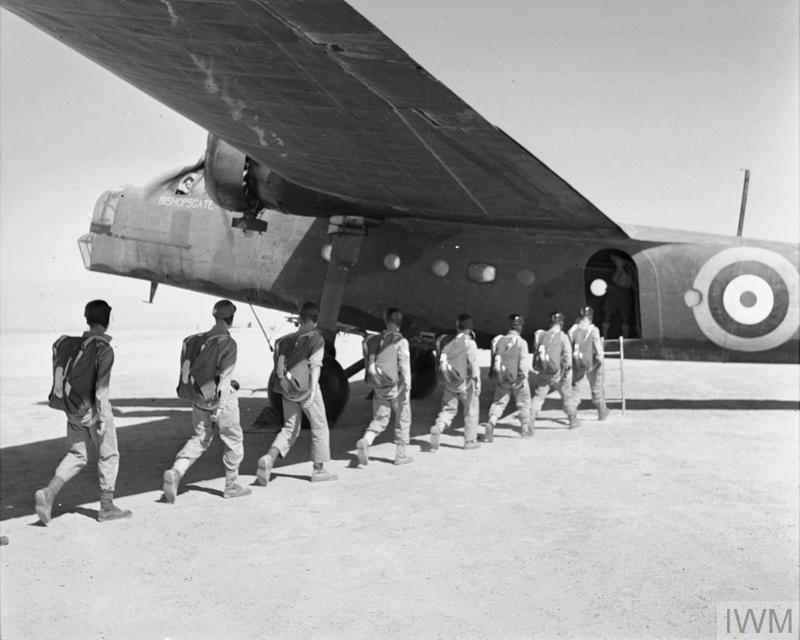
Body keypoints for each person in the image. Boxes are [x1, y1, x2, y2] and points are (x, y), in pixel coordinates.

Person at [35, 300, 132, 524]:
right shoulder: (103, 349)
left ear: (87, 319)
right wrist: (102, 418)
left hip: (72, 410)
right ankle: (107, 507)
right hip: (93, 411)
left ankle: (49, 493)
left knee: (77, 455)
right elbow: (102, 389)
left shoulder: (71, 344)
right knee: (109, 454)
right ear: (107, 322)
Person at [162, 299, 251, 502]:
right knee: (233, 439)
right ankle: (231, 485)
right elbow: (225, 381)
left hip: (199, 399)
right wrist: (219, 407)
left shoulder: (197, 340)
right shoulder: (228, 343)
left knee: (200, 438)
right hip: (221, 400)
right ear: (231, 318)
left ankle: (176, 471)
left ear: (215, 316)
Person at [257, 302, 337, 484]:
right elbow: (316, 366)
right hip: (307, 390)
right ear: (316, 319)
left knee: (290, 427)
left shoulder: (284, 340)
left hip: (288, 389)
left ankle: (270, 457)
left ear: (299, 319)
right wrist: (313, 390)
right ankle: (318, 470)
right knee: (320, 426)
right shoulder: (316, 339)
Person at [355, 308, 413, 466]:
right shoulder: (400, 341)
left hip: (380, 385)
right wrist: (407, 386)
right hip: (397, 388)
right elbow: (404, 366)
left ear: (386, 321)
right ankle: (400, 455)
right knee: (403, 418)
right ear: (400, 323)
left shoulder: (376, 340)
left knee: (379, 419)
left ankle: (366, 441)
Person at [429, 313, 481, 450]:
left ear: (457, 327)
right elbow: (474, 365)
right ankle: (470, 441)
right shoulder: (470, 344)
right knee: (471, 410)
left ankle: (438, 427)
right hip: (467, 384)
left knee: (448, 410)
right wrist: (478, 383)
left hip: (450, 384)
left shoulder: (448, 343)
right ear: (470, 329)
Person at [484, 313, 532, 441]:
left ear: (509, 326)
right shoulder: (521, 342)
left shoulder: (499, 340)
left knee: (499, 403)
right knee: (523, 404)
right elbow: (523, 363)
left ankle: (491, 422)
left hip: (502, 379)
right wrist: (522, 377)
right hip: (518, 380)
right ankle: (525, 429)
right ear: (520, 327)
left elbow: (493, 360)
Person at [530, 312, 581, 430]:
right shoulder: (563, 337)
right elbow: (568, 358)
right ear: (562, 323)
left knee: (538, 397)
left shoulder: (542, 335)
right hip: (559, 374)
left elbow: (536, 354)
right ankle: (573, 420)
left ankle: (530, 421)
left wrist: (538, 369)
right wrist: (566, 374)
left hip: (544, 373)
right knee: (567, 397)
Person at [569, 306, 609, 421]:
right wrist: (596, 364)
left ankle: (572, 415)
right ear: (591, 316)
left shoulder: (572, 330)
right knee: (597, 389)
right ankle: (602, 412)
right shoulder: (593, 330)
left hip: (577, 363)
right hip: (593, 364)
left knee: (575, 389)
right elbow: (600, 354)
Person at [602, 253, 635, 338]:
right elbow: (612, 256)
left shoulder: (634, 266)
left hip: (625, 292)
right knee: (608, 313)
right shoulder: (620, 261)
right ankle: (604, 337)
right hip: (615, 290)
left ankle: (626, 338)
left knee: (625, 316)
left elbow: (632, 284)